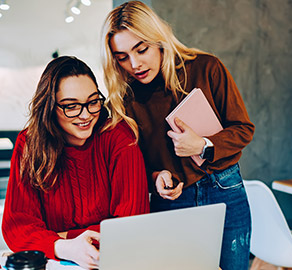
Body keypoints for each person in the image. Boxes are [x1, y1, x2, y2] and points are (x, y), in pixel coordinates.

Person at [100, 2, 255, 270]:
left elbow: (243, 129)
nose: (135, 64)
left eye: (141, 49)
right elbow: (138, 162)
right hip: (171, 202)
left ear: (158, 40)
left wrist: (203, 145)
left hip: (225, 190)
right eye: (122, 56)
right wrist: (155, 178)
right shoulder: (124, 99)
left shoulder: (207, 68)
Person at [2, 56, 149, 269]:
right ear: (50, 107)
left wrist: (60, 236)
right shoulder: (29, 144)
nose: (86, 115)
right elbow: (17, 227)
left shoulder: (119, 137)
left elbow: (131, 226)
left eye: (93, 102)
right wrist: (66, 247)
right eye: (71, 106)